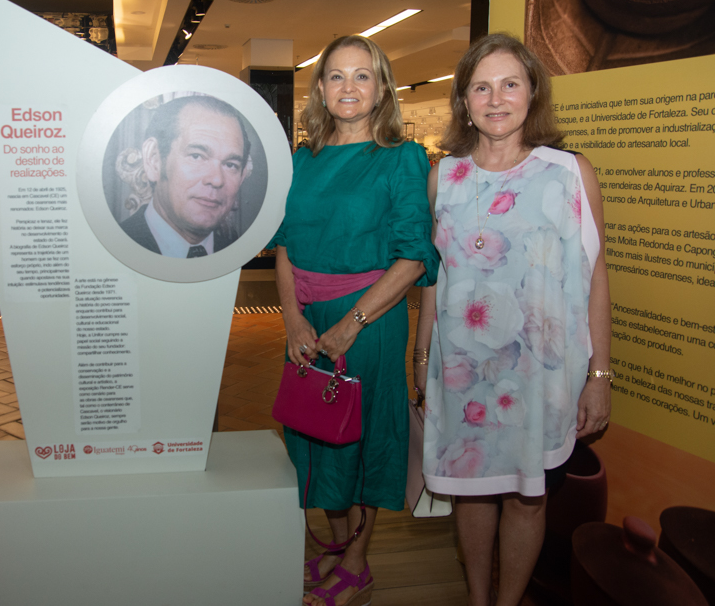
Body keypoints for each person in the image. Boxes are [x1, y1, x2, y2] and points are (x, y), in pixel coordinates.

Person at [414, 33, 610, 606]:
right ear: (463, 100)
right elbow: (435, 278)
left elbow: (596, 275)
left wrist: (600, 375)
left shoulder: (570, 172)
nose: (495, 99)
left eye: (509, 84)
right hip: (462, 374)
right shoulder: (443, 177)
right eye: (481, 86)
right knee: (471, 491)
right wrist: (422, 359)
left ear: (532, 93)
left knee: (529, 497)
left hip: (543, 374)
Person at [271, 35, 438, 606]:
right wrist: (292, 317)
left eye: (362, 76)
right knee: (319, 434)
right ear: (320, 88)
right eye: (336, 76)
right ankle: (339, 546)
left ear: (382, 87)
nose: (348, 87)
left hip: (371, 322)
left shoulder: (400, 158)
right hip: (308, 320)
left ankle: (359, 564)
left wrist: (353, 322)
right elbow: (286, 247)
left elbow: (413, 257)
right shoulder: (302, 160)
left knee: (364, 439)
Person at [120, 95, 252, 257]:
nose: (217, 179)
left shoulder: (238, 252)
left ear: (242, 176)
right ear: (154, 159)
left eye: (230, 165)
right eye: (196, 156)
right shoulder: (113, 248)